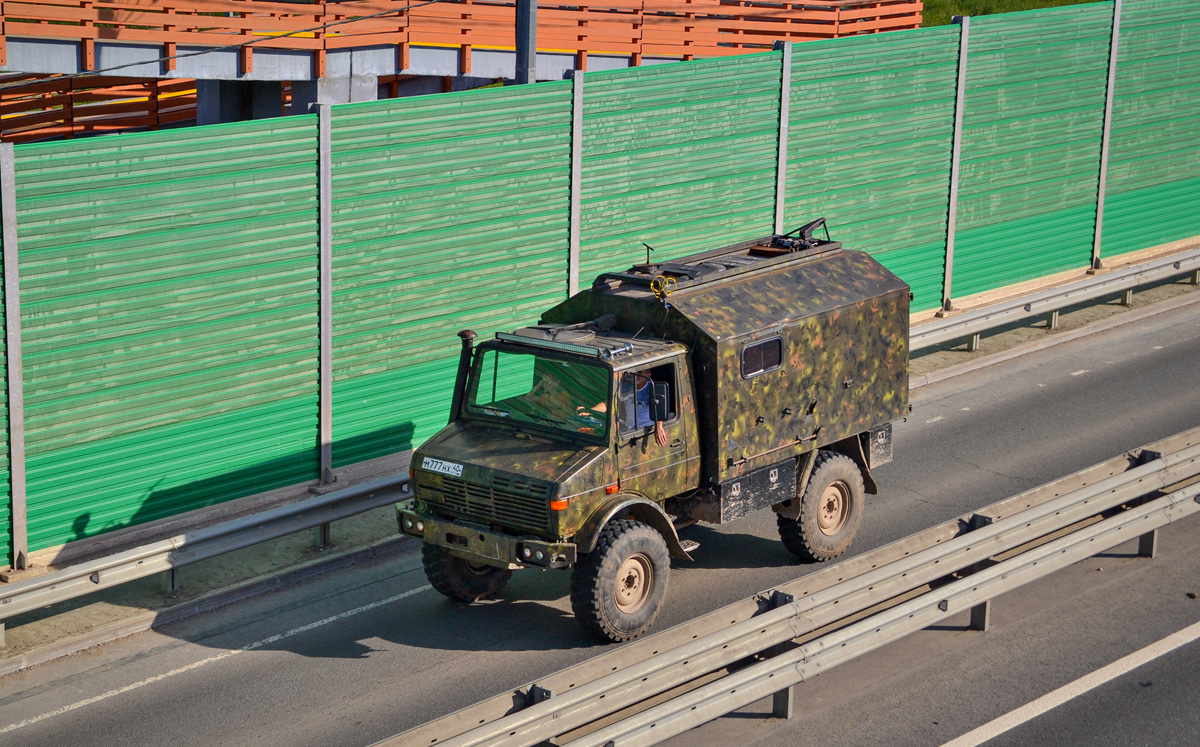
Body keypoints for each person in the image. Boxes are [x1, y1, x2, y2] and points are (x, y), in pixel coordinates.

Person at [579, 369, 668, 446]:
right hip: (628, 430)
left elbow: (660, 408)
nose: (636, 376)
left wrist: (659, 426)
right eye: (634, 373)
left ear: (648, 374)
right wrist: (590, 411)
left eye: (640, 372)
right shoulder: (626, 387)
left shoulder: (653, 388)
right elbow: (608, 404)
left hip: (646, 430)